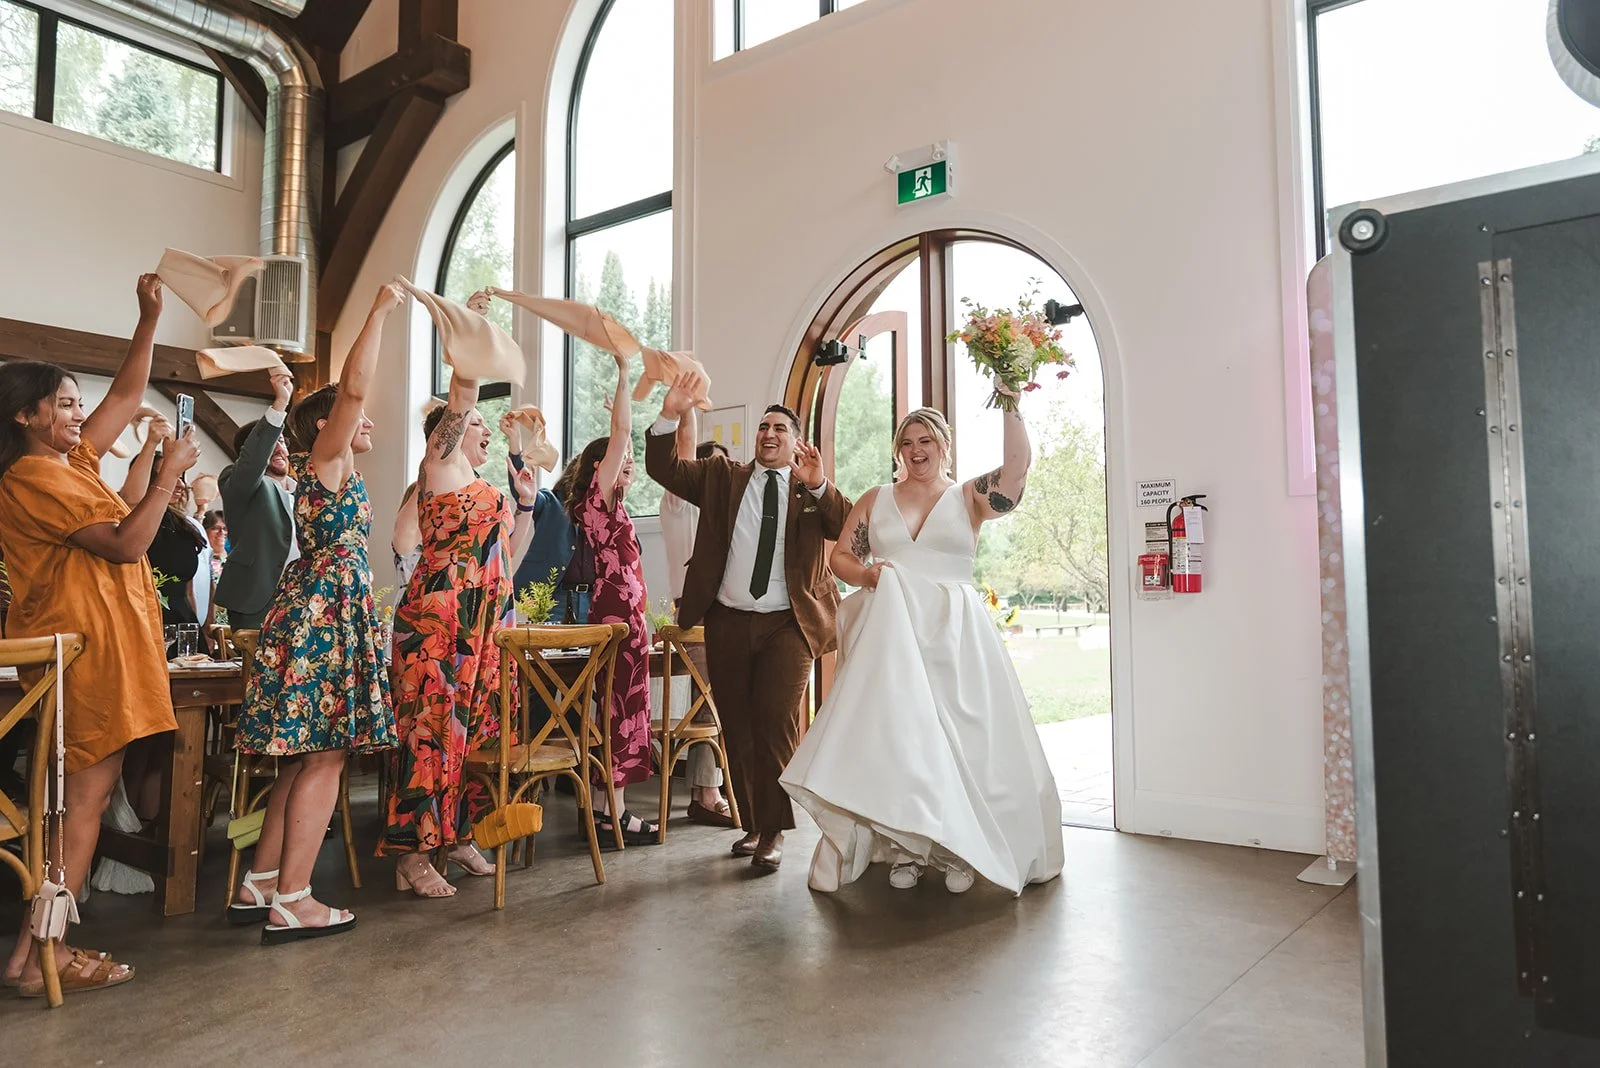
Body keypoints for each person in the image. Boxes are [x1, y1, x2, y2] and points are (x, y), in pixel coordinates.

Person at [0, 273, 196, 996]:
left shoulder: (63, 460)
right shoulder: (31, 477)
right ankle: (41, 959)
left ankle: (30, 957)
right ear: (26, 415)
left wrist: (146, 321)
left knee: (77, 807)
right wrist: (167, 478)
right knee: (78, 812)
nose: (81, 414)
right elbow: (124, 544)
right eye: (64, 404)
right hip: (82, 657)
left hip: (104, 654)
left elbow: (120, 400)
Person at [781, 404, 1065, 895]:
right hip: (893, 637)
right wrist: (869, 575)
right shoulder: (876, 498)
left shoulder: (969, 497)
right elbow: (841, 557)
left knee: (964, 741)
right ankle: (905, 848)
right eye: (907, 443)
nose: (915, 451)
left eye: (925, 442)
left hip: (955, 635)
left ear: (943, 446)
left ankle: (960, 850)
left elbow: (1016, 473)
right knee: (901, 743)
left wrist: (1013, 401)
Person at [230, 284, 402, 942]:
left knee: (306, 759)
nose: (366, 418)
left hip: (321, 605)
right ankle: (294, 899)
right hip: (327, 611)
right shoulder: (326, 461)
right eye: (353, 414)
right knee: (326, 758)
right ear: (329, 423)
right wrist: (379, 311)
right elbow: (354, 390)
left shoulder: (330, 470)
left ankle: (262, 882)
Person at [645, 374, 850, 872]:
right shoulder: (722, 477)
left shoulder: (808, 491)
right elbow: (663, 467)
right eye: (763, 427)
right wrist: (670, 414)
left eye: (780, 427)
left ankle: (774, 830)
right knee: (736, 726)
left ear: (796, 440)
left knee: (776, 721)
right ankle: (756, 823)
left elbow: (845, 527)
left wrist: (818, 484)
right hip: (729, 621)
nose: (769, 433)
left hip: (789, 625)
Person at [380, 291, 539, 897]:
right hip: (437, 618)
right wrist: (473, 342)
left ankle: (460, 835)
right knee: (429, 733)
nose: (484, 432)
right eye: (475, 425)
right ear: (447, 434)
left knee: (473, 735)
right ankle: (412, 856)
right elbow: (463, 398)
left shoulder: (484, 484)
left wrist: (524, 503)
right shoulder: (438, 469)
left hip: (483, 619)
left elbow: (509, 558)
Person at [567, 349, 657, 844]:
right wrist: (625, 374)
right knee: (615, 714)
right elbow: (622, 434)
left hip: (625, 624)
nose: (630, 469)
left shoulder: (612, 507)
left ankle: (606, 813)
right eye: (623, 462)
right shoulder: (595, 504)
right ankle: (615, 816)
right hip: (614, 624)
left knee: (614, 712)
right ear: (601, 466)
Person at [656, 415, 733, 828]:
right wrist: (688, 405)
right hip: (693, 612)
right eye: (715, 468)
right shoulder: (679, 503)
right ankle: (705, 793)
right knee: (706, 703)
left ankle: (717, 785)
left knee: (723, 702)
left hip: (726, 608)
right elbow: (684, 445)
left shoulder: (721, 514)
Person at [214, 369, 297, 633]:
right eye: (272, 441)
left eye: (282, 440)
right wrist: (280, 404)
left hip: (304, 601)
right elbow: (252, 464)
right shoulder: (240, 484)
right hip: (257, 600)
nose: (278, 447)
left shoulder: (305, 491)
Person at [501, 411, 573, 620]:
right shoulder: (552, 502)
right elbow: (521, 491)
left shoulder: (599, 514)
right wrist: (515, 443)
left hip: (588, 597)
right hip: (550, 597)